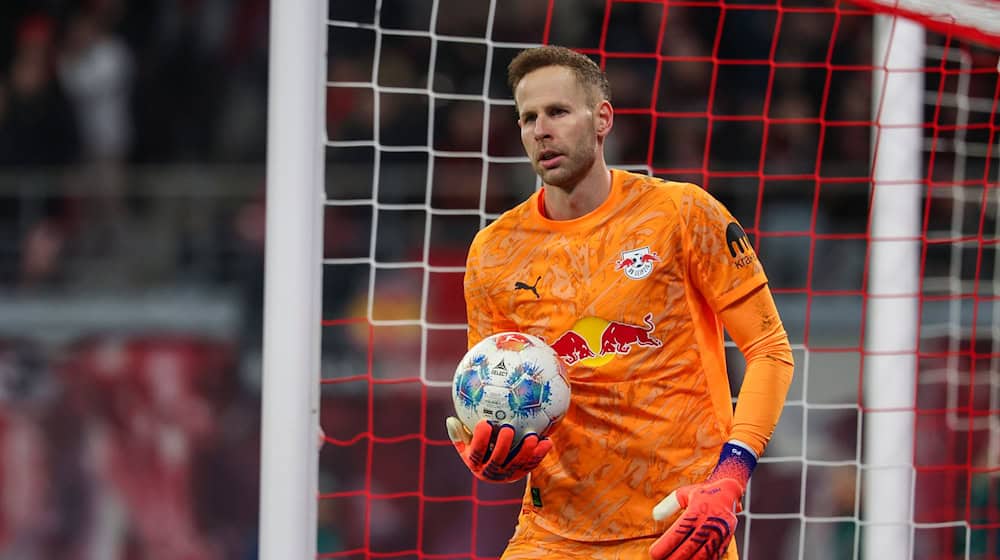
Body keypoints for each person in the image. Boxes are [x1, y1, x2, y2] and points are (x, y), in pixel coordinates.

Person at [445, 45, 795, 560]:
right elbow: (489, 399)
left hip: (679, 529)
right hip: (552, 536)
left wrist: (730, 479)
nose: (541, 129)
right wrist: (492, 456)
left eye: (558, 112)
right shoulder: (493, 252)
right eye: (528, 117)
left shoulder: (681, 214)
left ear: (602, 118)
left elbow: (769, 349)